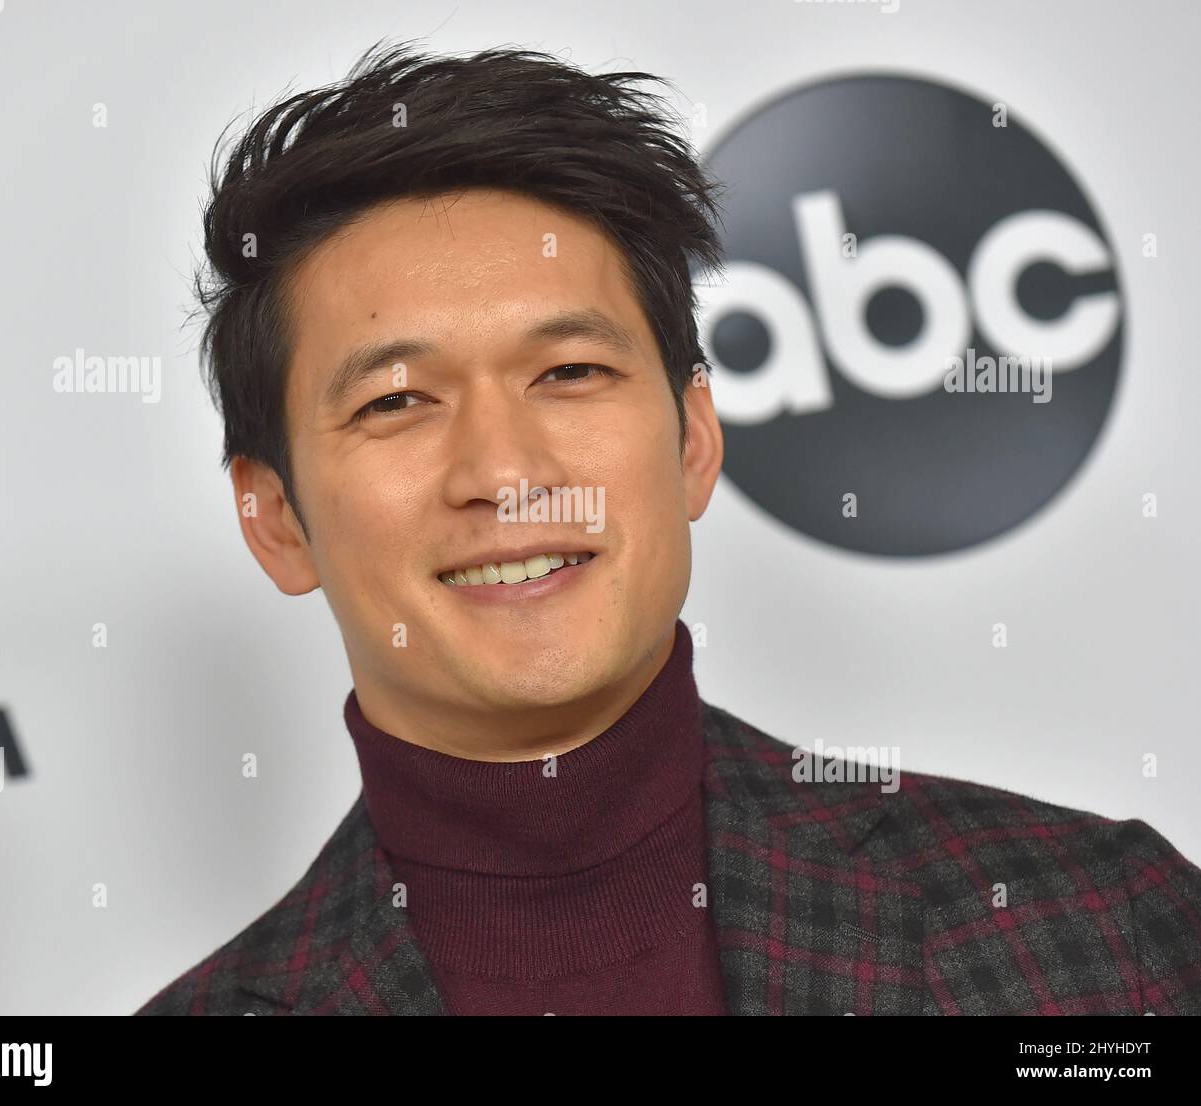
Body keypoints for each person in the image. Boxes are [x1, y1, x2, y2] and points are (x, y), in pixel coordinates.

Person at [136, 40, 1201, 1015]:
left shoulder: (1101, 930)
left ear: (692, 437)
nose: (506, 474)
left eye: (569, 372)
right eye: (397, 401)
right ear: (275, 518)